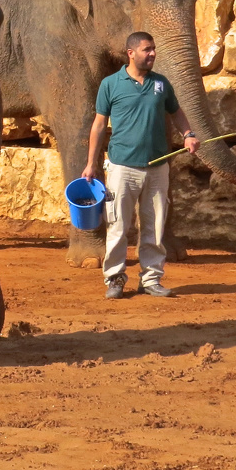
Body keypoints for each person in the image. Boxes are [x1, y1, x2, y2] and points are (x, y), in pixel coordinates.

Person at [82, 32, 199, 299]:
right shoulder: (111, 84)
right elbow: (99, 124)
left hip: (158, 167)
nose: (153, 54)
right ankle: (114, 279)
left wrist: (188, 134)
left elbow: (176, 112)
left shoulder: (161, 84)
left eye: (154, 49)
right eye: (147, 49)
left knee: (154, 226)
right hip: (122, 167)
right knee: (118, 226)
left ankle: (151, 279)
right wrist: (91, 163)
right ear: (131, 53)